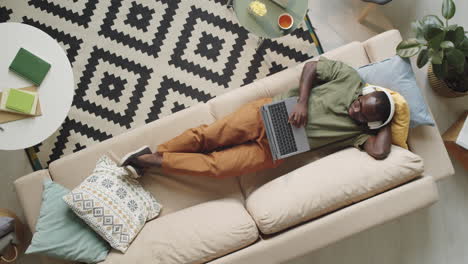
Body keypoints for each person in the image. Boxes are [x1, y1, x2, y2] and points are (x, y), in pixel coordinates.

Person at [120, 57, 393, 178]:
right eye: (359, 103)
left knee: (217, 167)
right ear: (363, 93)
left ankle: (152, 160)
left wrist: (391, 116)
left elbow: (379, 152)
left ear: (369, 123)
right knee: (206, 136)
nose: (354, 110)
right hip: (269, 113)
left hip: (273, 151)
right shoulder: (350, 78)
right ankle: (152, 158)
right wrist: (302, 102)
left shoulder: (360, 133)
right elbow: (312, 67)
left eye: (362, 115)